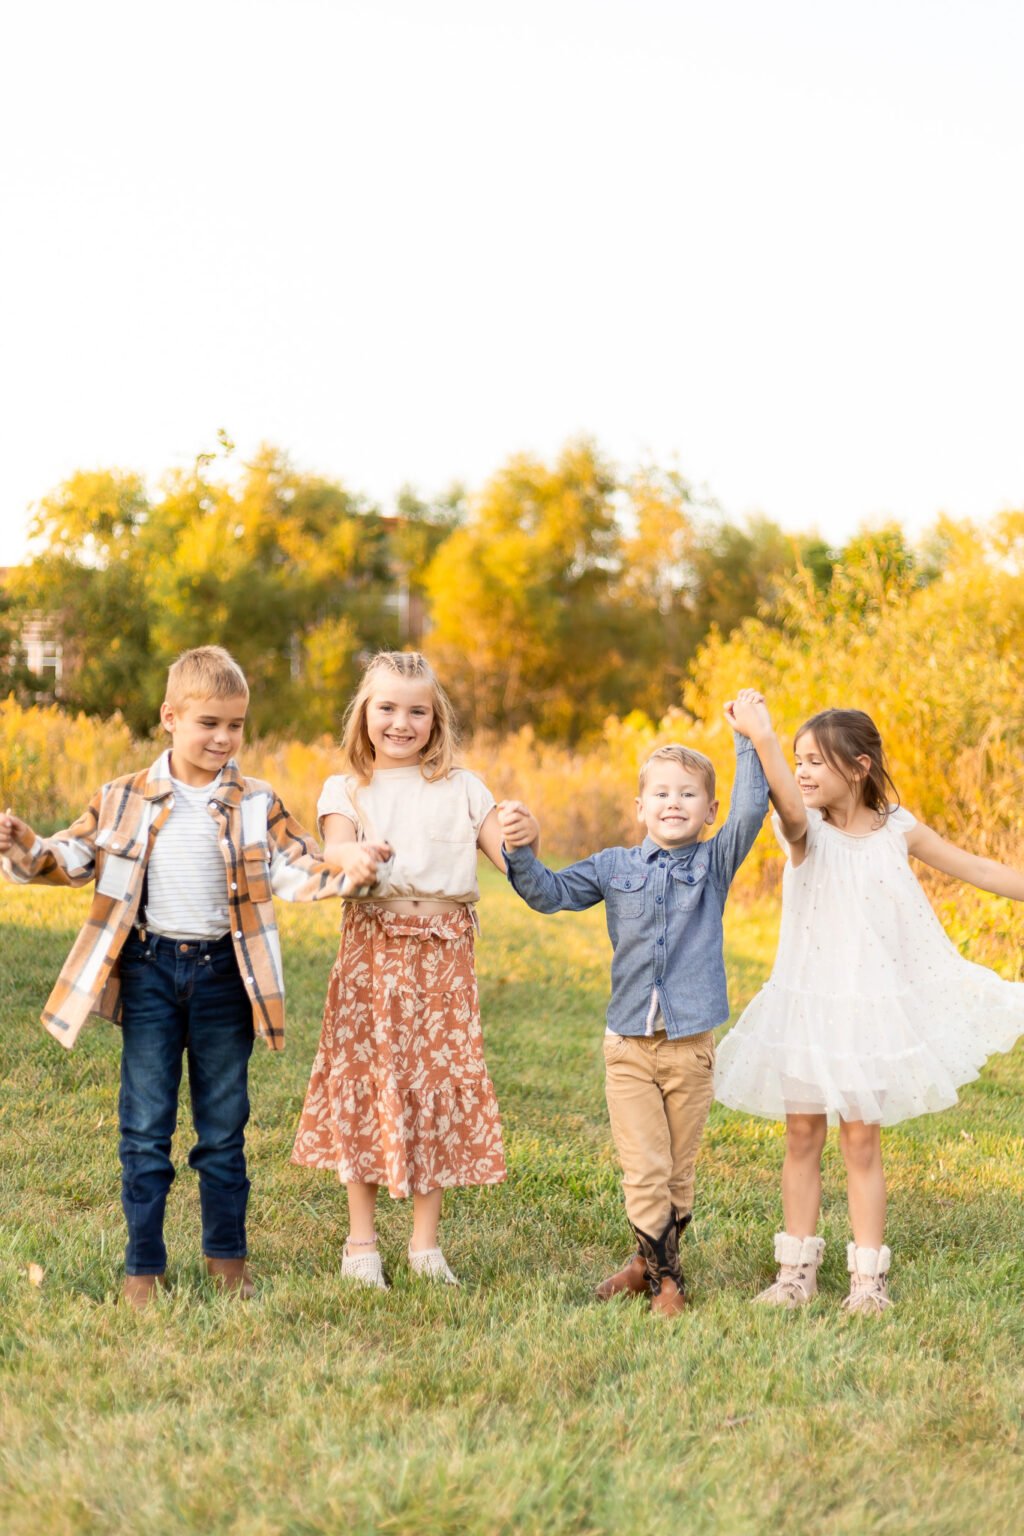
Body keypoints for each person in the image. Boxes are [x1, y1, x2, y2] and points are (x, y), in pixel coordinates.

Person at [0, 645, 354, 1309]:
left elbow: (297, 863)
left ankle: (227, 1261)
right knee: (145, 1129)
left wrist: (350, 868)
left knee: (223, 1130)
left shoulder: (257, 801)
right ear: (171, 717)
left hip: (225, 974)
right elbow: (70, 858)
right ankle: (144, 1268)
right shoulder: (122, 797)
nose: (223, 738)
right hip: (150, 972)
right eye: (209, 723)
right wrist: (25, 846)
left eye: (236, 725)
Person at [714, 704, 1024, 1314]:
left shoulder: (897, 828)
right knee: (802, 1134)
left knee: (862, 1144)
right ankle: (794, 1272)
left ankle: (867, 1280)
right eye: (796, 761)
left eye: (814, 762)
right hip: (806, 1007)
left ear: (859, 767)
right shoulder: (805, 832)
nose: (801, 772)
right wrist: (764, 738)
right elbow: (792, 807)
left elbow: (976, 866)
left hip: (867, 1015)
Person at [498, 691, 772, 1317]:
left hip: (691, 1048)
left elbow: (755, 806)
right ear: (640, 805)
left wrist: (746, 737)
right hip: (628, 1046)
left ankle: (640, 1264)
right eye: (662, 793)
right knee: (643, 1167)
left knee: (677, 1172)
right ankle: (669, 1282)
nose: (674, 803)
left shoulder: (714, 863)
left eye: (688, 794)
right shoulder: (613, 865)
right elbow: (548, 894)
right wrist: (523, 848)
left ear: (709, 810)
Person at [291, 650, 536, 1289]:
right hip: (372, 947)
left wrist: (522, 831)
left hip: (444, 952)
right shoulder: (345, 788)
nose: (401, 723)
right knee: (369, 1081)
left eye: (416, 711)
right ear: (364, 714)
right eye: (387, 708)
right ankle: (361, 1243)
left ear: (436, 718)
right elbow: (336, 845)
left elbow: (510, 861)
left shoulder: (463, 786)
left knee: (436, 1083)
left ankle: (425, 1246)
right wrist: (355, 857)